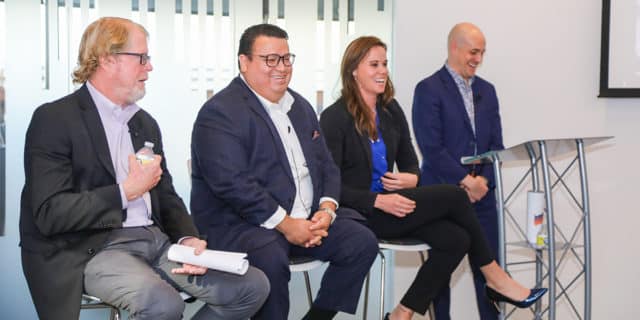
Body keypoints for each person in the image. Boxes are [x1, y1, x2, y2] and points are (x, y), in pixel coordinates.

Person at [19, 17, 269, 320]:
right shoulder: (55, 119)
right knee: (162, 303)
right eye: (142, 58)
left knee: (251, 286)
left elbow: (165, 194)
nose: (149, 67)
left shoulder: (144, 123)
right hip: (93, 248)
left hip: (157, 242)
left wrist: (187, 239)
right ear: (108, 59)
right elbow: (50, 213)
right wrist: (126, 192)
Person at [319, 35, 546, 320]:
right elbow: (330, 186)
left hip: (395, 206)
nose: (382, 71)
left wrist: (411, 180)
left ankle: (402, 313)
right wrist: (377, 200)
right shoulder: (334, 117)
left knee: (457, 239)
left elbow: (412, 165)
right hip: (362, 215)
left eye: (385, 64)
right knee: (454, 195)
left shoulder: (390, 110)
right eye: (374, 64)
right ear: (353, 70)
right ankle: (496, 278)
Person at [189, 24, 378, 320]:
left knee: (361, 242)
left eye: (286, 58)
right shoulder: (220, 112)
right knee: (269, 258)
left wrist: (327, 210)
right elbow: (232, 184)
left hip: (306, 219)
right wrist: (286, 224)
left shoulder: (299, 106)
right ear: (244, 62)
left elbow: (327, 165)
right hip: (244, 225)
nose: (281, 67)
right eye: (270, 59)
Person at [412, 22, 505, 320]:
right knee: (439, 271)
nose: (477, 59)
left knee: (490, 271)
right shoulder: (428, 89)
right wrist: (465, 181)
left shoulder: (487, 91)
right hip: (441, 195)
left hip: (483, 199)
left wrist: (483, 183)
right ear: (454, 47)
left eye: (482, 53)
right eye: (473, 52)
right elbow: (431, 147)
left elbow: (496, 146)